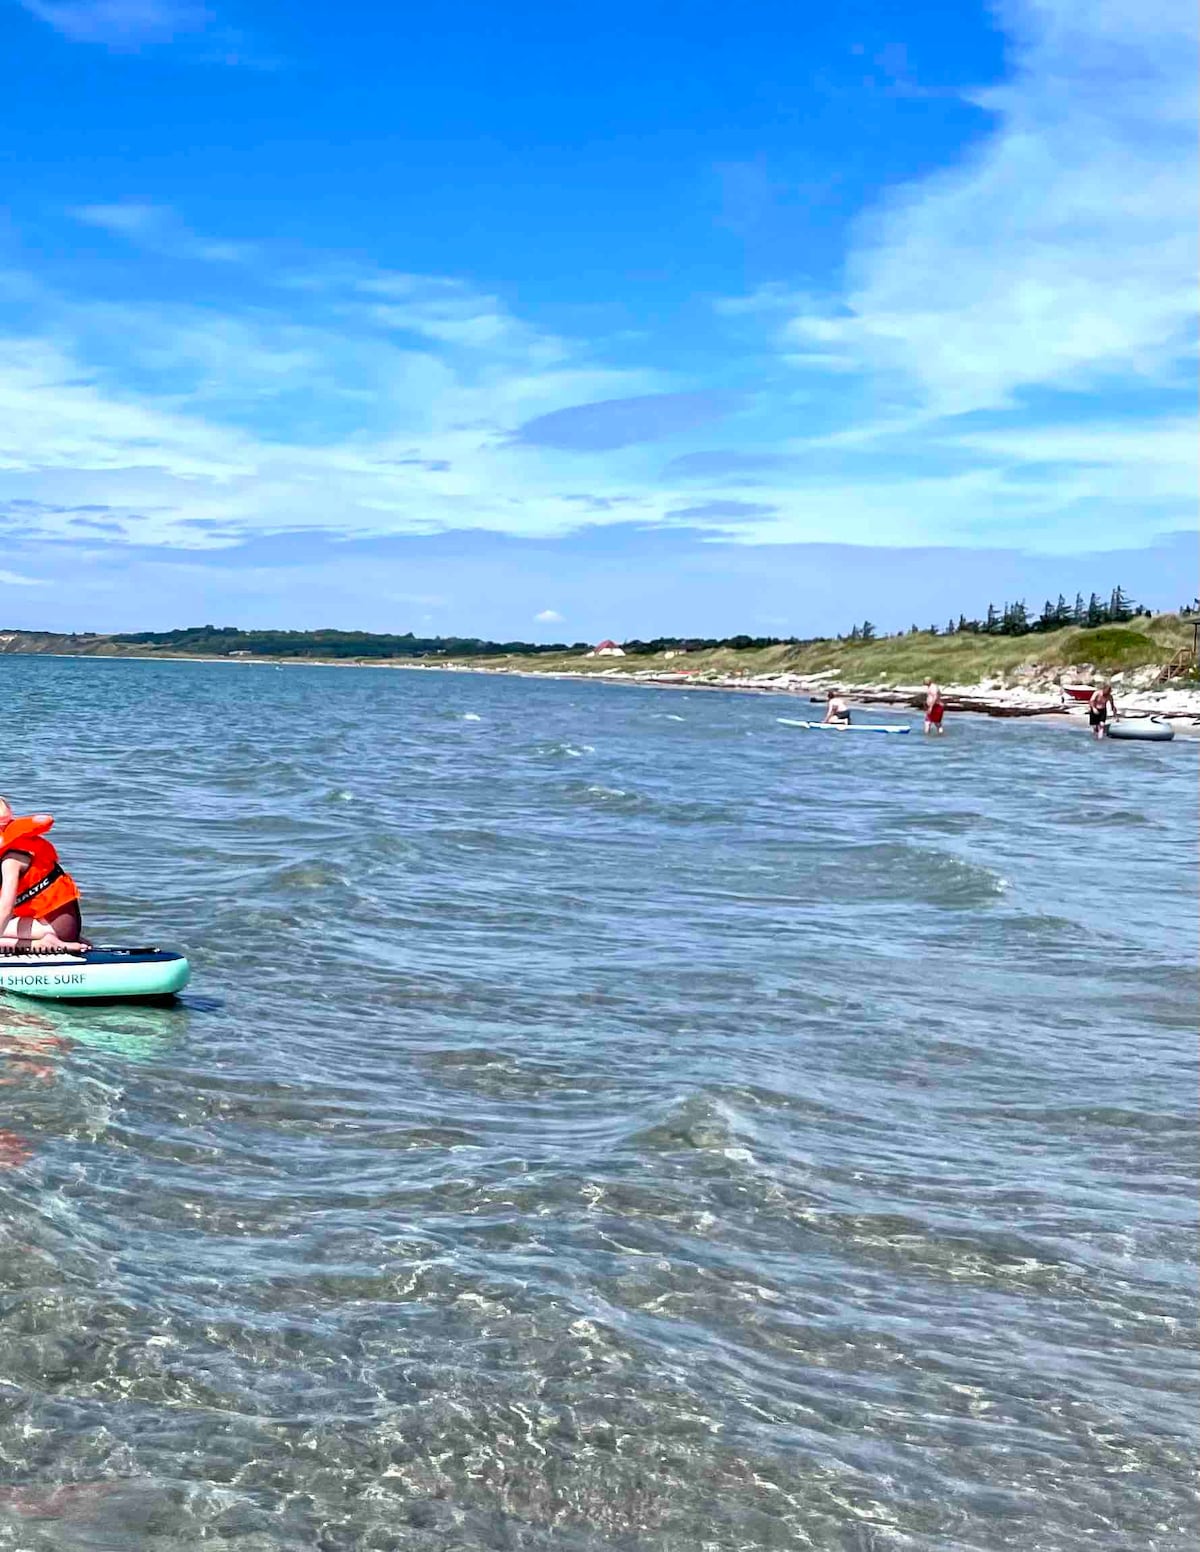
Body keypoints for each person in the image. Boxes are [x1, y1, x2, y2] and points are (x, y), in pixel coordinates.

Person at [0, 800, 89, 952]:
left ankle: (41, 945)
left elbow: (6, 908)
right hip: (51, 923)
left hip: (57, 927)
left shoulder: (12, 860)